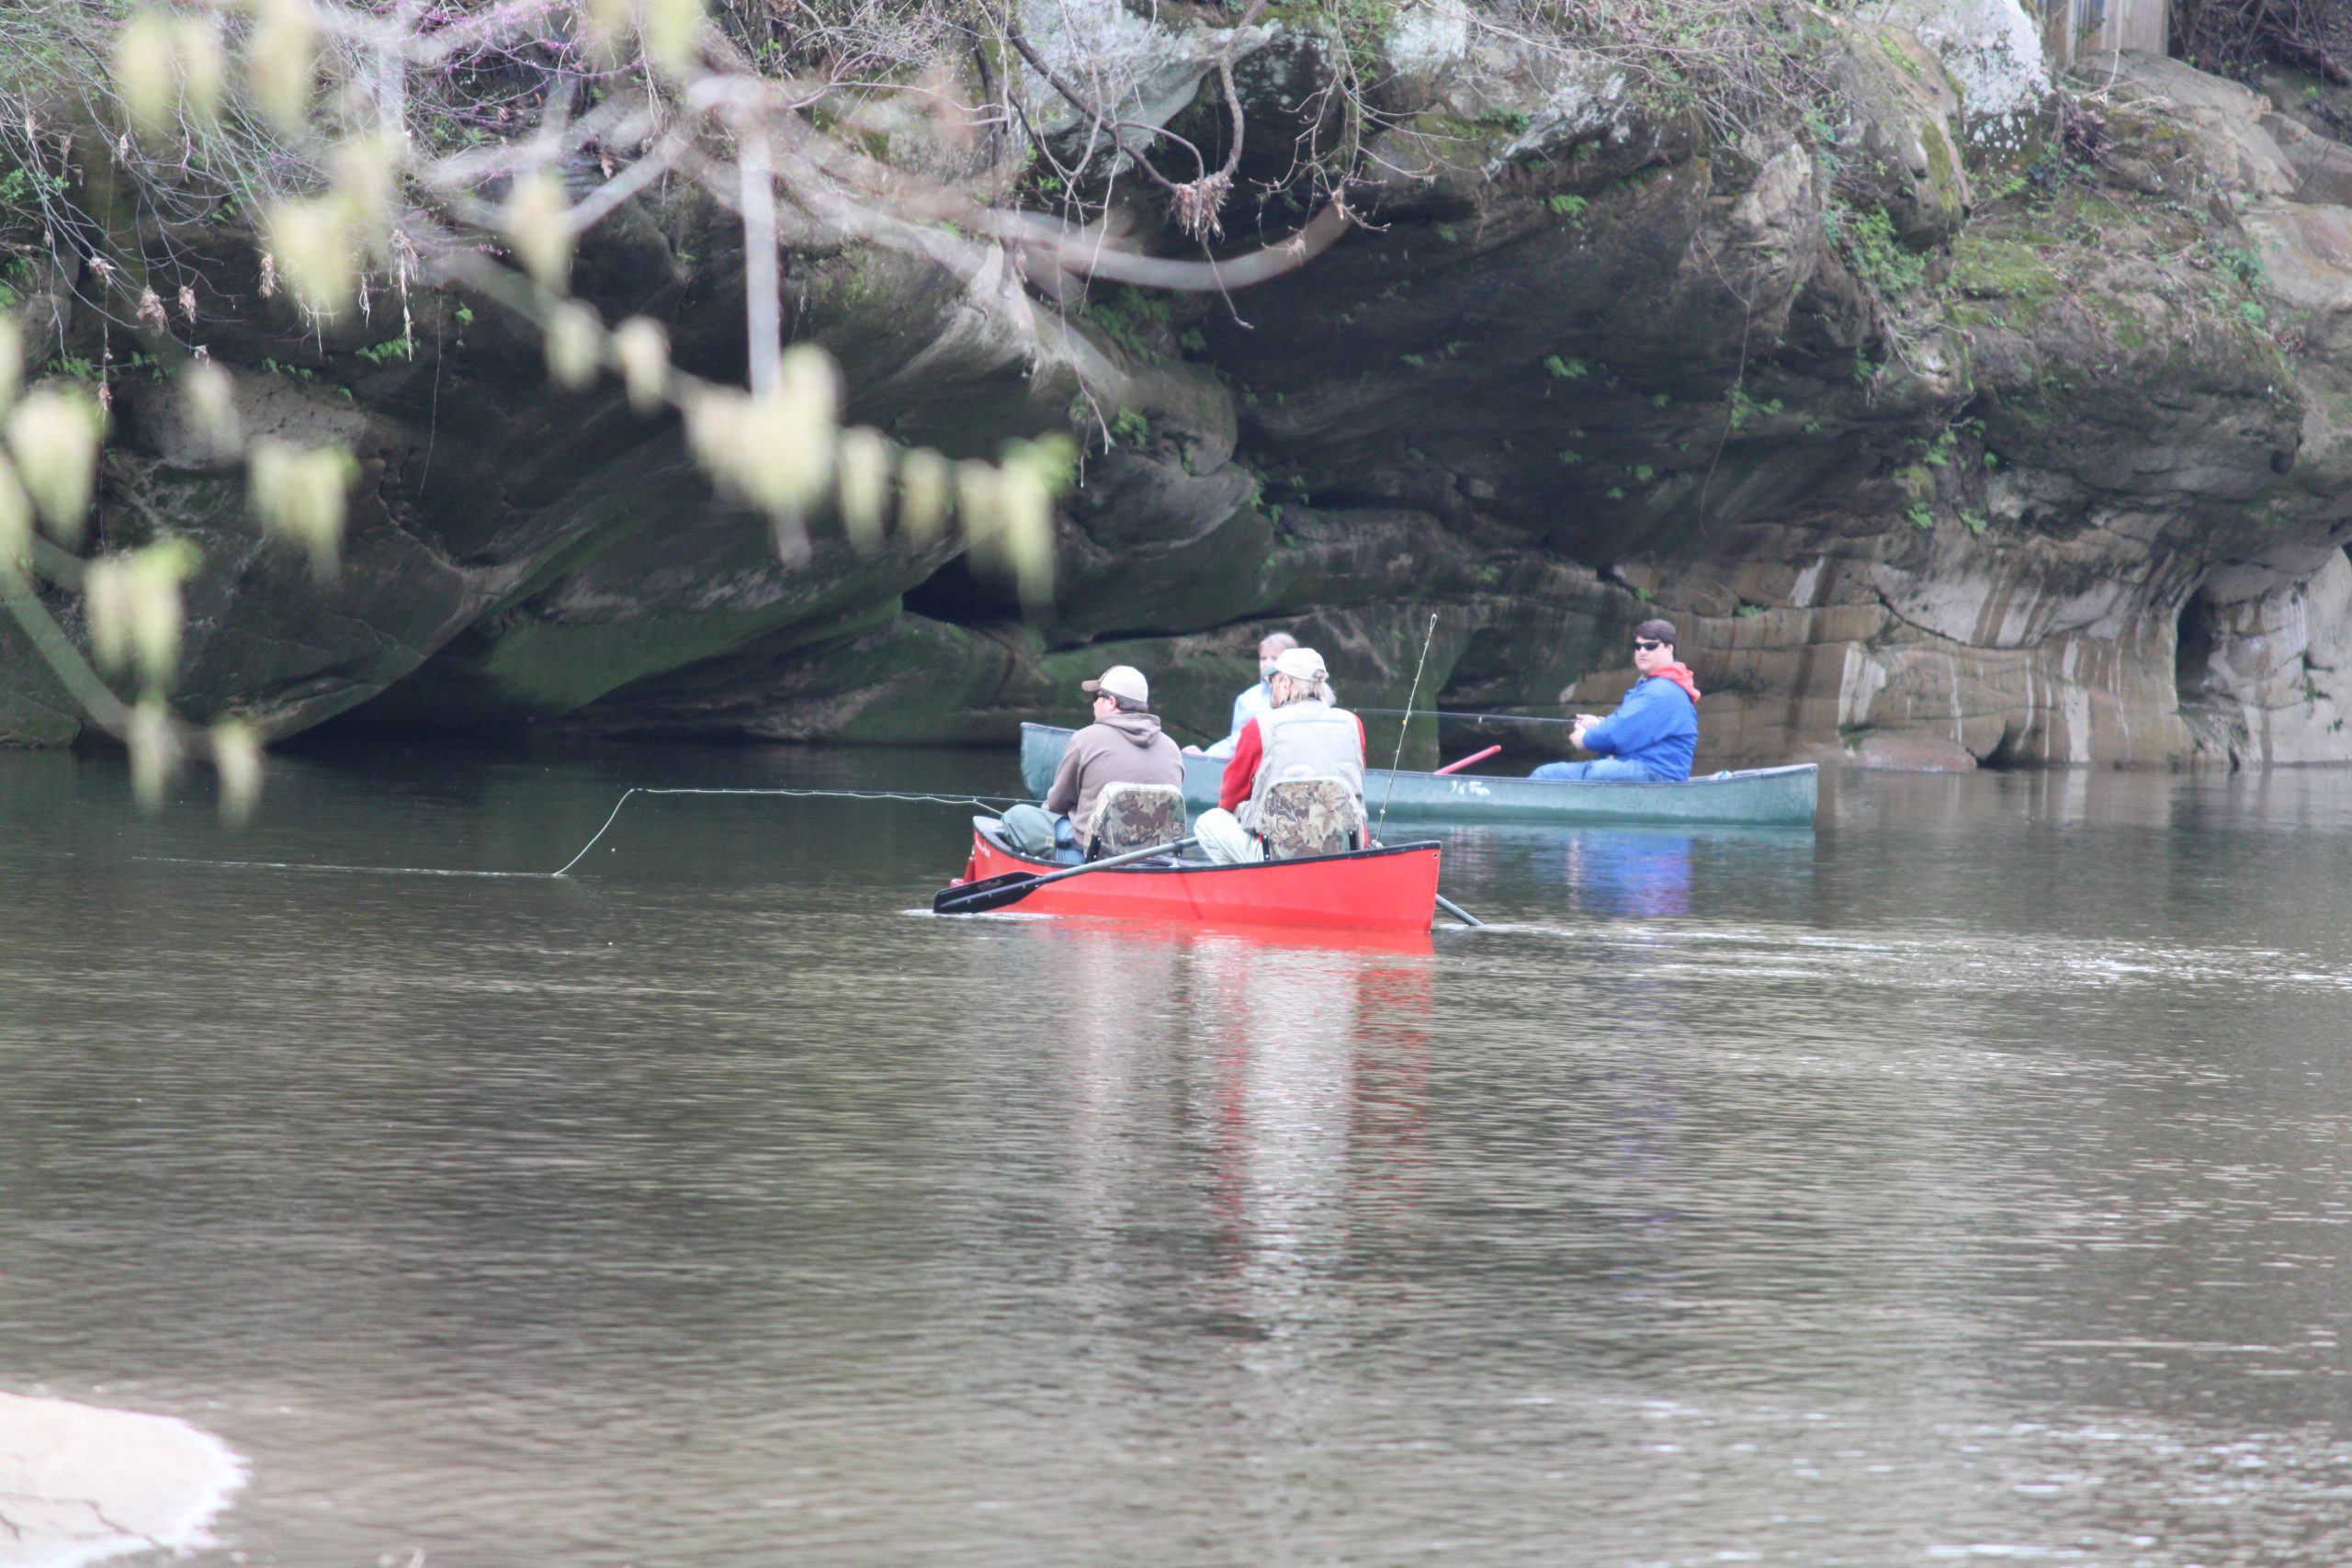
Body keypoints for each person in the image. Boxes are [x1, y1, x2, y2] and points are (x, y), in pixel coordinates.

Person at [1194, 646, 1367, 863]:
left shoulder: (1259, 727)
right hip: (1348, 850)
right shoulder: (1353, 724)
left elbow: (1229, 799)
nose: (1270, 685)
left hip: (1279, 857)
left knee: (1209, 821)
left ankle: (1253, 889)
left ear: (1285, 683)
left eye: (1273, 679)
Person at [1000, 664, 1186, 859]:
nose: (1093, 704)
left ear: (1111, 702)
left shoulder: (1085, 739)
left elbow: (1057, 805)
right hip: (1155, 859)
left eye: (1096, 697)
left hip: (1092, 857)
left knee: (1015, 817)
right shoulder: (1172, 748)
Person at [1532, 618, 1701, 783]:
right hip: (1647, 769)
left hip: (1657, 773)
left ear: (1669, 649)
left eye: (1650, 646)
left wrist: (1586, 738)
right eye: (1638, 646)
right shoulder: (1660, 686)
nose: (1642, 651)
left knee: (1548, 775)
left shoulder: (1661, 691)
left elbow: (1620, 730)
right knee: (1553, 772)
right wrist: (1599, 724)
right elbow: (1633, 727)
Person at [1188, 631, 1298, 759]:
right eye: (1263, 658)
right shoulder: (1247, 699)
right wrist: (1204, 756)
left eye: (1274, 658)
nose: (1266, 664)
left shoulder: (1309, 696)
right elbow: (1236, 743)